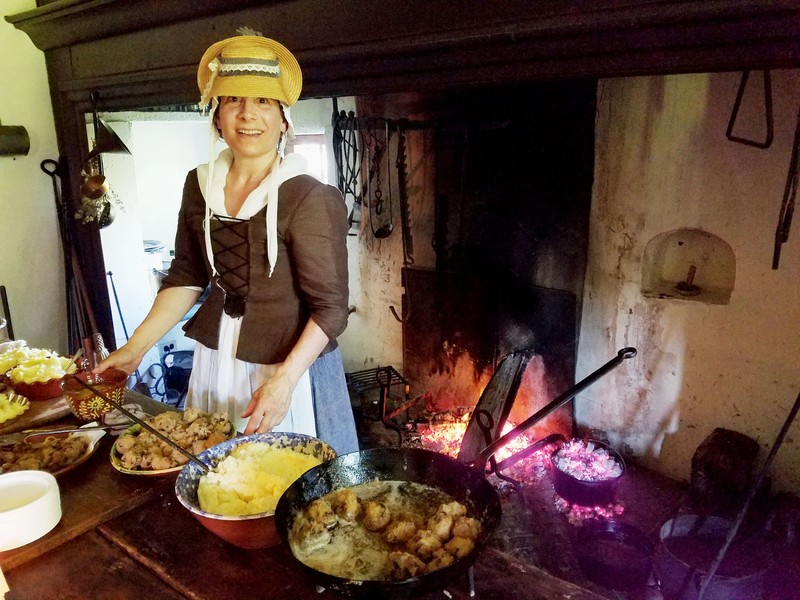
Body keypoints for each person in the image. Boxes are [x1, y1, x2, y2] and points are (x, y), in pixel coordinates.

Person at [94, 33, 359, 455]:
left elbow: (330, 308)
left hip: (284, 366)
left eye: (263, 102)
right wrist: (133, 350)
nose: (247, 114)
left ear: (283, 117)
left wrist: (283, 383)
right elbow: (187, 276)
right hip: (218, 357)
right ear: (216, 115)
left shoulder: (310, 195)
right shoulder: (199, 185)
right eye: (233, 99)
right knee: (217, 464)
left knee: (280, 479)